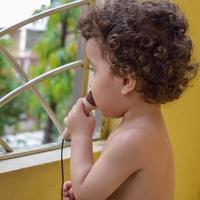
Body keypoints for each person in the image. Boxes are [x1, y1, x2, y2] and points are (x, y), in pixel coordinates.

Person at [62, 0, 198, 199]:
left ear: (126, 81)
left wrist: (81, 135)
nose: (91, 82)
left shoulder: (132, 139)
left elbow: (86, 195)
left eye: (94, 70)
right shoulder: (142, 127)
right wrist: (90, 179)